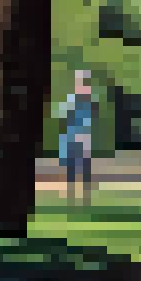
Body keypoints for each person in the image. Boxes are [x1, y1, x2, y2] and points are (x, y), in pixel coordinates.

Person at [58, 70, 98, 207]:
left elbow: (88, 120)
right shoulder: (72, 98)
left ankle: (85, 195)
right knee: (71, 166)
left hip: (83, 137)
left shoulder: (88, 100)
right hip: (71, 137)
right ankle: (71, 195)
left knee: (84, 166)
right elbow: (65, 118)